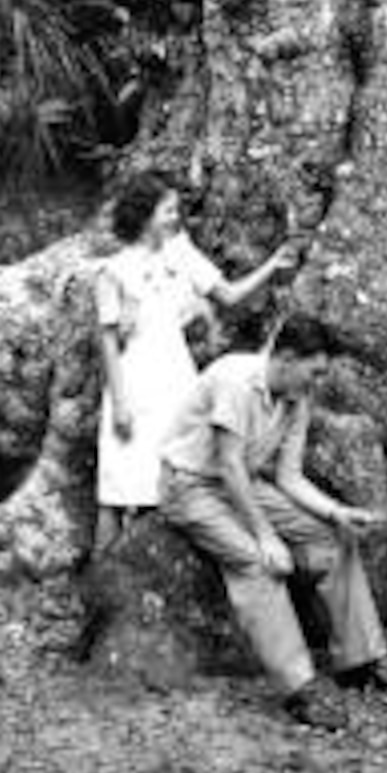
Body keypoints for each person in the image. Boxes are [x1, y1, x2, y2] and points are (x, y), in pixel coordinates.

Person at [157, 302, 387, 727]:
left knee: (334, 536)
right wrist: (266, 536)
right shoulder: (234, 379)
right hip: (192, 486)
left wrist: (336, 511)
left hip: (245, 484)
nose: (317, 381)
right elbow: (228, 465)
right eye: (314, 371)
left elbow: (289, 477)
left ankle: (359, 661)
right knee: (256, 562)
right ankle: (299, 688)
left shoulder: (295, 395)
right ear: (285, 359)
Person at [94, 169, 291, 549]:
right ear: (145, 214)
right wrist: (119, 403)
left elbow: (229, 295)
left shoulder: (181, 252)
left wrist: (272, 266)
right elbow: (107, 342)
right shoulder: (114, 271)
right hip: (132, 384)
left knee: (169, 482)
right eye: (167, 210)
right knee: (118, 490)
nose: (175, 216)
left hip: (176, 381)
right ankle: (98, 585)